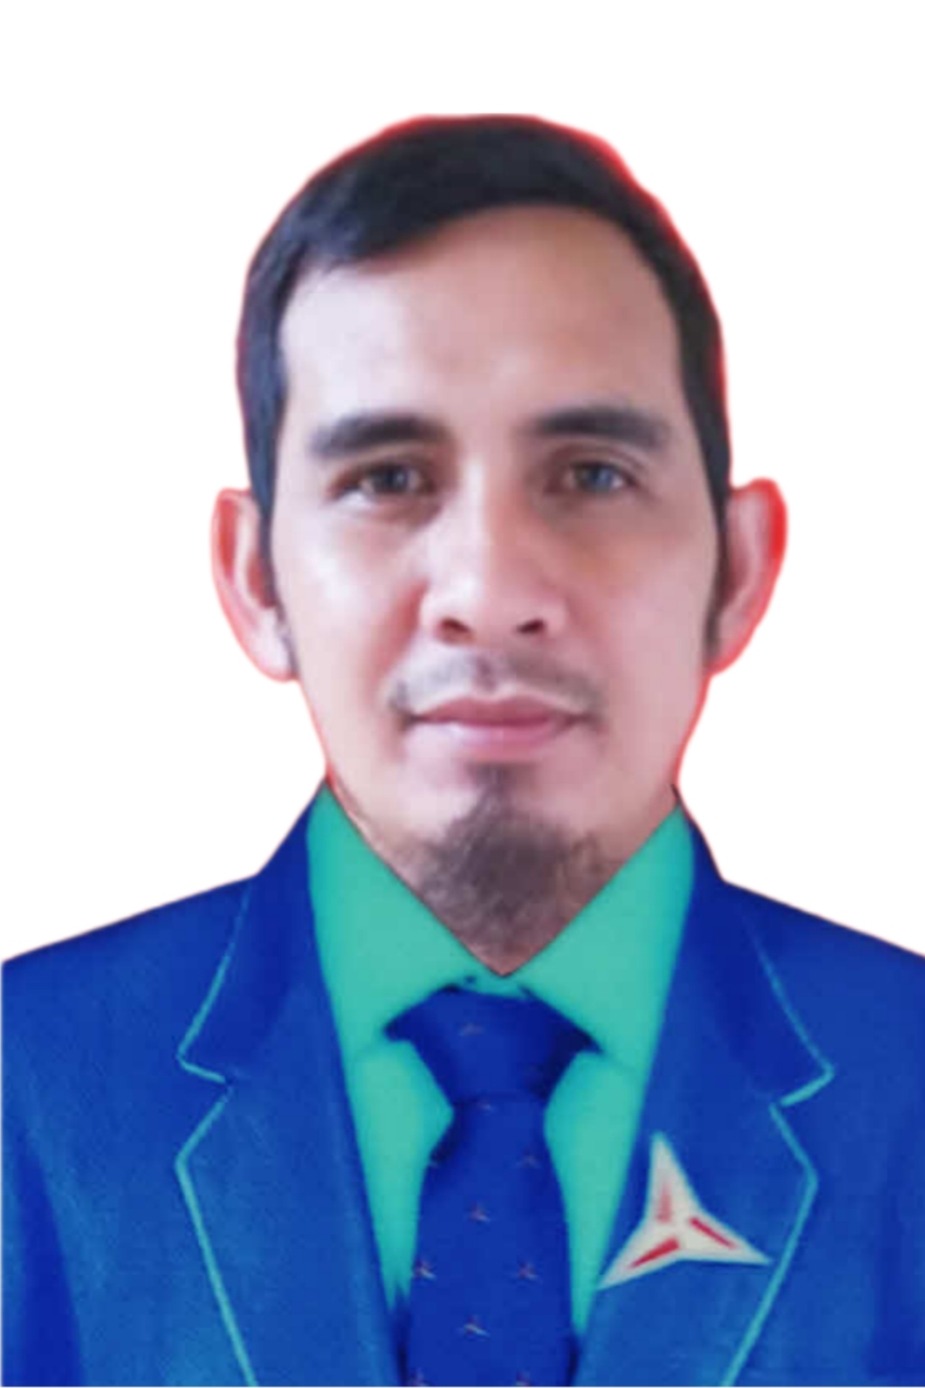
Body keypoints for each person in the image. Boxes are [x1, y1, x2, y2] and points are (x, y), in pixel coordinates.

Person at [4, 114, 924, 1388]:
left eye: (591, 474)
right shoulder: (26, 1086)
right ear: (256, 578)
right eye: (388, 478)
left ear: (739, 570)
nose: (489, 592)